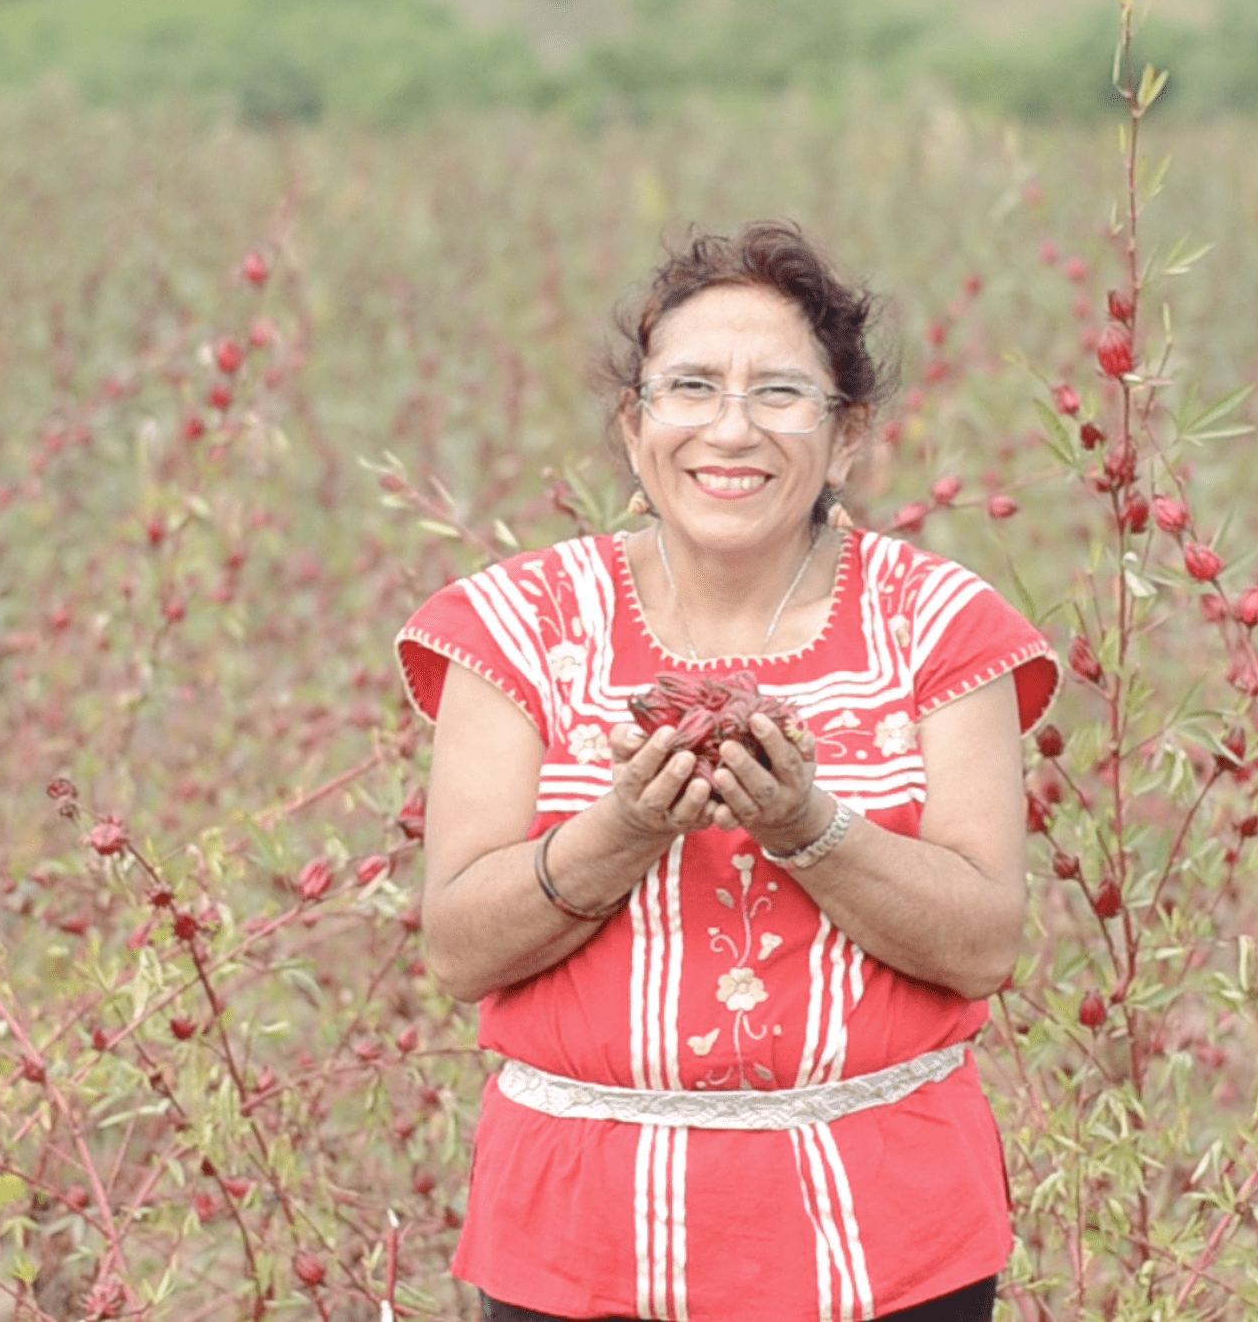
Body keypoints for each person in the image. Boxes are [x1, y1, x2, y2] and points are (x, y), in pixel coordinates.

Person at [396, 221, 1056, 1322]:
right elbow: (460, 949)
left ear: (846, 438)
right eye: (691, 387)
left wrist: (807, 826)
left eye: (781, 395)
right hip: (579, 1235)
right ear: (635, 423)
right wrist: (623, 830)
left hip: (887, 1237)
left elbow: (986, 941)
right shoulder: (514, 625)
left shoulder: (943, 625)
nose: (731, 429)